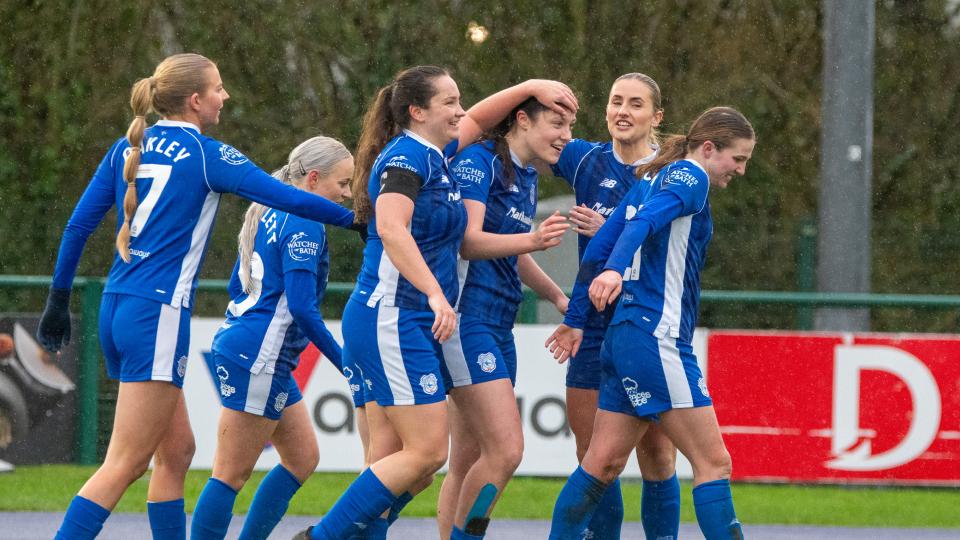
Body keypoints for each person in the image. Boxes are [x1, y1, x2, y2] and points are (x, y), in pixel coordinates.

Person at [35, 53, 355, 540]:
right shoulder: (207, 155)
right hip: (157, 314)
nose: (225, 96)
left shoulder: (128, 146)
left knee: (178, 452)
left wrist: (58, 300)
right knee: (125, 463)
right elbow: (288, 196)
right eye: (218, 89)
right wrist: (360, 222)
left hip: (119, 306)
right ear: (195, 100)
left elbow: (78, 226)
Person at [294, 67, 577, 540]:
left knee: (402, 464)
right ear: (417, 112)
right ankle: (321, 537)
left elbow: (481, 118)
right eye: (449, 102)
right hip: (392, 314)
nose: (461, 111)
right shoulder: (406, 157)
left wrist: (528, 88)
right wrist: (434, 292)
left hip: (411, 319)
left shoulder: (437, 155)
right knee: (427, 453)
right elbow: (392, 228)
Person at [545, 106, 755, 539]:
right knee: (714, 463)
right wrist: (613, 271)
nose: (741, 169)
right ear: (709, 147)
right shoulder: (691, 176)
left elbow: (602, 242)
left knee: (601, 463)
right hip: (656, 336)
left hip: (623, 335)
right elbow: (642, 224)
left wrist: (578, 316)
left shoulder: (651, 175)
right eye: (738, 158)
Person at [189, 136, 354, 540]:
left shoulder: (268, 209)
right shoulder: (305, 221)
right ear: (313, 179)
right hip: (260, 356)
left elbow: (237, 284)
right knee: (229, 473)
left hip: (251, 348)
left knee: (302, 458)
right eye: (343, 183)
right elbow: (302, 309)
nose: (348, 195)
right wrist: (347, 364)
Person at [546, 72, 681, 539]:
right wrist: (534, 89)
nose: (623, 111)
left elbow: (673, 248)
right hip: (591, 324)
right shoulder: (586, 159)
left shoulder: (673, 174)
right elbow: (515, 132)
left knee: (658, 455)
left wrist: (610, 230)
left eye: (636, 104)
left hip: (645, 324)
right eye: (616, 101)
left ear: (656, 116)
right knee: (594, 455)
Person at [436, 96, 574, 540]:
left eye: (570, 126)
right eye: (558, 123)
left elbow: (511, 249)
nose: (566, 136)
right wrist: (533, 240)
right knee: (506, 451)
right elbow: (469, 241)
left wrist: (557, 295)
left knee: (466, 461)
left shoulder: (525, 173)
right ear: (522, 119)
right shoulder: (480, 162)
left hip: (498, 321)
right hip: (468, 320)